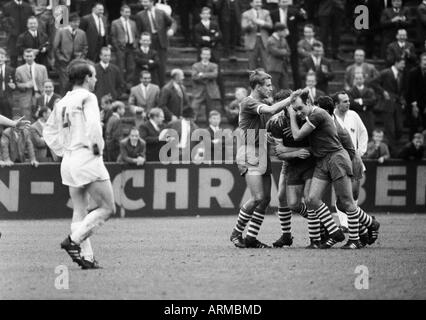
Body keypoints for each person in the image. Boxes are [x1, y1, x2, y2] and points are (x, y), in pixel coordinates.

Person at [43, 59, 116, 270]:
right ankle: (73, 241)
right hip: (86, 156)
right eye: (93, 75)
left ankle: (87, 257)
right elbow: (94, 125)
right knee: (107, 208)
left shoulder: (62, 101)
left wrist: (64, 149)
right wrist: (96, 148)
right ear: (86, 78)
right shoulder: (88, 97)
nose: (96, 79)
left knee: (79, 209)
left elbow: (48, 132)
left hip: (69, 160)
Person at [230, 69, 303, 249]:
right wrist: (293, 96)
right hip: (249, 153)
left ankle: (251, 238)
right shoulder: (248, 102)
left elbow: (262, 121)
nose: (271, 88)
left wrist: (267, 136)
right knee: (257, 198)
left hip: (261, 152)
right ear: (257, 86)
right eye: (268, 86)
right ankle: (236, 233)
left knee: (265, 200)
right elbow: (271, 109)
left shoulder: (260, 101)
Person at [288, 91, 362, 249]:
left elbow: (297, 135)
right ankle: (336, 232)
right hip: (323, 161)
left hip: (336, 159)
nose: (299, 112)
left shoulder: (318, 114)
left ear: (309, 101)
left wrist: (291, 116)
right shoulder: (312, 116)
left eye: (300, 108)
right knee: (311, 200)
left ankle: (355, 239)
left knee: (346, 202)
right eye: (296, 110)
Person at [266, 89, 319, 248]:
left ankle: (319, 230)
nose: (286, 110)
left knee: (309, 199)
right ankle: (286, 235)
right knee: (283, 197)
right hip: (289, 162)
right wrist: (271, 137)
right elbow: (278, 150)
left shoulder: (305, 116)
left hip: (309, 160)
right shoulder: (275, 122)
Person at [135, 0, 177, 87]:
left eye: (145, 2)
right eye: (143, 2)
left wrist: (172, 30)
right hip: (149, 43)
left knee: (161, 67)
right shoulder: (140, 15)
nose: (143, 4)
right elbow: (138, 32)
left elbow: (173, 22)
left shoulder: (161, 13)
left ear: (151, 2)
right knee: (150, 66)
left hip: (161, 42)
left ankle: (162, 87)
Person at [370, 56, 406, 150]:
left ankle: (392, 147)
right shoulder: (386, 72)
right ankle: (393, 150)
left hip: (397, 104)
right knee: (390, 129)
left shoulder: (401, 74)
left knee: (399, 128)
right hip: (387, 104)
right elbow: (373, 82)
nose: (404, 65)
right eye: (402, 63)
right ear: (396, 63)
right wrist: (383, 92)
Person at [270, 0, 307, 89]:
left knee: (295, 67)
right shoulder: (273, 13)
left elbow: (303, 19)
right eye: (282, 1)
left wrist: (304, 14)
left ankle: (298, 88)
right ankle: (278, 89)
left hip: (292, 42)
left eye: (286, 1)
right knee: (278, 67)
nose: (284, 3)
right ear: (279, 3)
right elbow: (271, 28)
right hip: (278, 42)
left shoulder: (294, 12)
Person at [53, 12, 88, 94]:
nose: (77, 24)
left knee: (76, 83)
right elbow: (56, 47)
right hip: (64, 62)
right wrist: (61, 58)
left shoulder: (82, 33)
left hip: (77, 62)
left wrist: (81, 58)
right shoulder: (61, 32)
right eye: (75, 22)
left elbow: (85, 47)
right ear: (69, 22)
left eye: (78, 22)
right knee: (65, 83)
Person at [15, 49, 48, 119]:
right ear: (24, 57)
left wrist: (44, 94)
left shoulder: (42, 68)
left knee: (40, 117)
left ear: (34, 56)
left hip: (39, 95)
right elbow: (17, 84)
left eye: (31, 56)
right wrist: (25, 85)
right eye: (27, 56)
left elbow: (46, 82)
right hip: (26, 96)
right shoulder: (19, 69)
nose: (29, 58)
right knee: (26, 118)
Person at [191, 47, 222, 122]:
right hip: (199, 91)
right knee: (193, 109)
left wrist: (202, 75)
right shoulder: (195, 65)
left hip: (211, 92)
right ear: (201, 55)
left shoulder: (214, 65)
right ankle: (192, 129)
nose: (206, 56)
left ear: (210, 56)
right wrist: (208, 76)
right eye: (204, 54)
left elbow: (215, 75)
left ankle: (211, 131)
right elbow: (194, 77)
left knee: (211, 113)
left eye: (207, 55)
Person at [241, 0, 273, 69]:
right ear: (251, 4)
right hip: (251, 41)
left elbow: (270, 25)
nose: (258, 4)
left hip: (264, 40)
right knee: (252, 64)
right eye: (256, 2)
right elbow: (243, 27)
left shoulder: (266, 13)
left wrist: (261, 22)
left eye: (259, 2)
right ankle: (253, 79)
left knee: (266, 64)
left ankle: (266, 79)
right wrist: (251, 24)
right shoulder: (246, 14)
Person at [1, 0, 34, 67]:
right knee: (13, 59)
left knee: (26, 58)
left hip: (26, 37)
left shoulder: (28, 7)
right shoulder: (7, 7)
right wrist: (11, 31)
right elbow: (3, 21)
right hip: (13, 37)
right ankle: (13, 76)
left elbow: (31, 19)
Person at [111, 4, 138, 84]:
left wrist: (135, 44)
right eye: (126, 12)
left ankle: (129, 85)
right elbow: (113, 36)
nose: (128, 14)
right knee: (120, 67)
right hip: (121, 48)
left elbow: (136, 35)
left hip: (131, 47)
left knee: (131, 67)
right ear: (121, 12)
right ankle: (121, 85)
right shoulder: (115, 23)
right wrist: (117, 47)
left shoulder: (133, 23)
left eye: (129, 12)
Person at [406, 53, 426, 139]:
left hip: (425, 102)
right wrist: (414, 105)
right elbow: (411, 89)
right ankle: (412, 143)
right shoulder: (413, 72)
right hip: (414, 102)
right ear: (420, 61)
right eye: (424, 60)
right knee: (414, 125)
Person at [266, 23, 291, 91]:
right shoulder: (270, 40)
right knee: (273, 88)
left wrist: (283, 51)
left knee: (285, 88)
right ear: (279, 31)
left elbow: (289, 51)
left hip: (283, 68)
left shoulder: (284, 40)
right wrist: (284, 51)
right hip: (274, 68)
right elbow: (275, 52)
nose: (286, 33)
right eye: (284, 31)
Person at [0, 48, 16, 119]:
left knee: (7, 116)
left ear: (5, 58)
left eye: (2, 57)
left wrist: (14, 86)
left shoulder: (11, 70)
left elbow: (15, 84)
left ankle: (7, 130)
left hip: (6, 96)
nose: (0, 59)